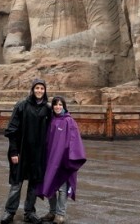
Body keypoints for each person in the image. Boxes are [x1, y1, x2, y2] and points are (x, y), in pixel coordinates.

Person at [0, 78, 52, 224]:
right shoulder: (22, 105)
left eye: (42, 88)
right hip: (22, 151)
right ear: (32, 89)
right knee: (16, 184)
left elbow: (54, 128)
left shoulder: (47, 109)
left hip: (38, 153)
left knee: (34, 184)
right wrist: (13, 151)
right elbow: (12, 130)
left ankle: (29, 212)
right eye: (37, 88)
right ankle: (9, 211)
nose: (39, 91)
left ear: (45, 90)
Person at [37, 96, 87, 224]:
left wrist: (71, 158)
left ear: (64, 106)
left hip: (63, 160)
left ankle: (60, 214)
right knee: (49, 184)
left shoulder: (69, 121)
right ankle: (52, 211)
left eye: (60, 105)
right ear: (52, 106)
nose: (58, 107)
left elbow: (75, 141)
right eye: (55, 104)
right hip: (50, 159)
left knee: (62, 188)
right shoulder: (51, 120)